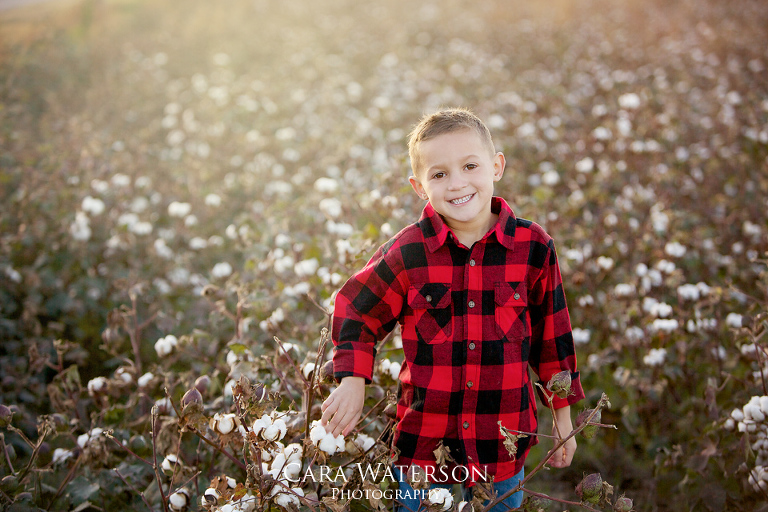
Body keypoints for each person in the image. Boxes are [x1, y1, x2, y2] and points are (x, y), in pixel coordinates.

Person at [320, 108, 584, 511]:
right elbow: (358, 307)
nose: (457, 183)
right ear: (419, 186)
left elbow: (553, 337)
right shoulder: (410, 251)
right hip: (423, 447)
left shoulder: (533, 246)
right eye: (439, 174)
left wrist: (562, 417)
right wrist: (352, 379)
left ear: (496, 166)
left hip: (502, 441)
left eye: (470, 166)